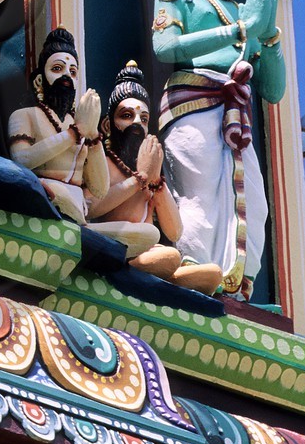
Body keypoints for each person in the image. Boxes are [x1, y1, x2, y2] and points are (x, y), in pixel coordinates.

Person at [153, 0, 285, 299]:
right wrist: (240, 31)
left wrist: (270, 36)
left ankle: (238, 285)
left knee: (253, 203)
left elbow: (273, 90)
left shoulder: (241, 11)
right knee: (199, 192)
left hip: (236, 116)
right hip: (193, 107)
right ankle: (195, 269)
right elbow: (165, 49)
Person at [89, 60, 221, 294]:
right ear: (108, 125)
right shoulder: (103, 161)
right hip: (110, 242)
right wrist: (139, 178)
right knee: (167, 255)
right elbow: (92, 208)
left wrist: (156, 182)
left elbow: (174, 232)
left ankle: (157, 278)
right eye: (127, 116)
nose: (136, 124)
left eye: (143, 119)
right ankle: (141, 272)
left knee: (211, 274)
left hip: (146, 250)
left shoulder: (149, 171)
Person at [7, 27, 106, 222]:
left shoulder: (80, 123)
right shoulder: (24, 115)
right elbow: (21, 160)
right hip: (46, 201)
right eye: (57, 69)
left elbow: (100, 189)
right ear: (39, 80)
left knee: (149, 233)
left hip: (79, 211)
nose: (66, 76)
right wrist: (74, 133)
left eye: (73, 72)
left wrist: (93, 136)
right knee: (58, 192)